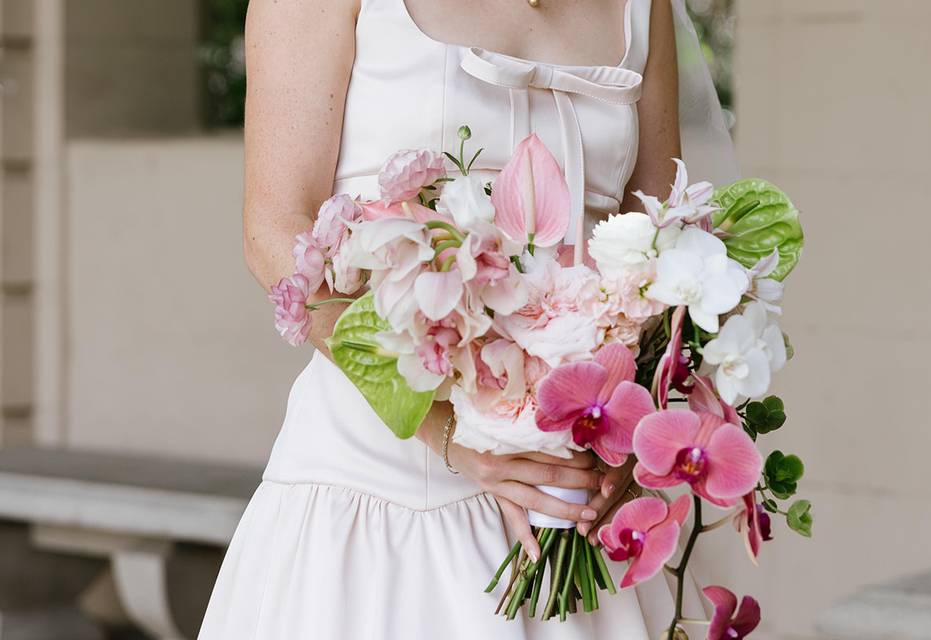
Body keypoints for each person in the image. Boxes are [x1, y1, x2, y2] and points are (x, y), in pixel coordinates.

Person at [200, 1, 732, 637]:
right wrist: (446, 429)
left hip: (571, 501)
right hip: (382, 490)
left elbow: (662, 239)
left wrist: (631, 429)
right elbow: (275, 231)